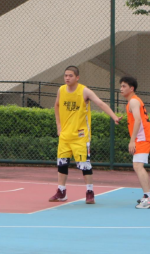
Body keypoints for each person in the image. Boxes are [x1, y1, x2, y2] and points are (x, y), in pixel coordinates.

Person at [50, 66, 121, 204]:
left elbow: (100, 103)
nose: (67, 78)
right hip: (65, 135)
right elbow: (56, 105)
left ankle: (89, 192)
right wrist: (58, 125)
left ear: (77, 77)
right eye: (65, 75)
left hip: (81, 136)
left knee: (84, 164)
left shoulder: (84, 91)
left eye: (70, 75)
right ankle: (61, 191)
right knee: (62, 163)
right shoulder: (61, 90)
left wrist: (114, 117)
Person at [119, 76, 150, 209]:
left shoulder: (134, 101)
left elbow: (138, 120)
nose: (121, 89)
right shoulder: (133, 101)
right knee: (138, 166)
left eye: (124, 86)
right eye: (121, 86)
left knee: (137, 166)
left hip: (142, 138)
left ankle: (148, 198)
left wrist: (132, 141)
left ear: (132, 88)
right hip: (143, 137)